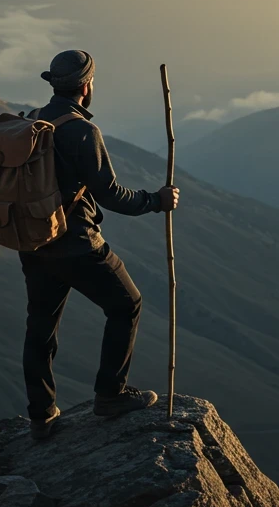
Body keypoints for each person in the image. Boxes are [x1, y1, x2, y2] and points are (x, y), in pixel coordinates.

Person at [21, 49, 179, 439]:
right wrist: (155, 201)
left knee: (41, 326)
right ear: (87, 86)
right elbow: (109, 195)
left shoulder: (32, 122)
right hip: (76, 244)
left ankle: (41, 416)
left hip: (35, 242)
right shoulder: (81, 130)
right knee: (127, 304)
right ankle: (110, 395)